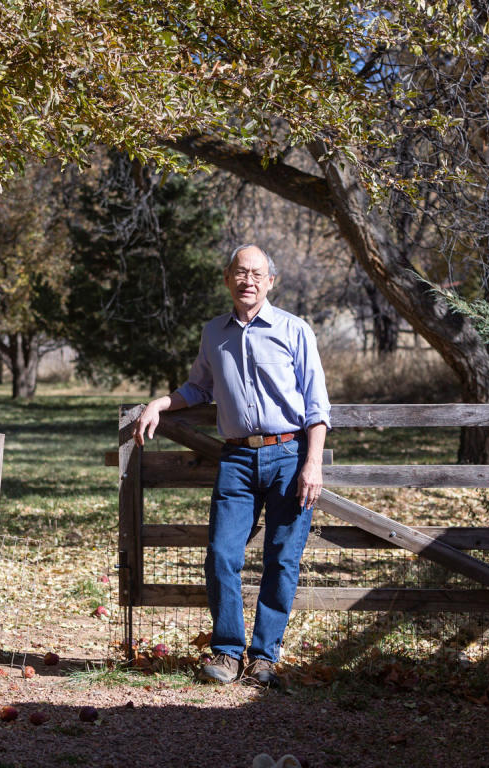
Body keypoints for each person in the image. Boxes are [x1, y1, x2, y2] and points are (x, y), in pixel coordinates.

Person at [133, 244, 330, 687]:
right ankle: (226, 652)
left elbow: (317, 407)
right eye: (241, 273)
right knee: (222, 554)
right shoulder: (213, 333)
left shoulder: (294, 330)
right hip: (237, 457)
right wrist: (161, 403)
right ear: (227, 279)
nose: (249, 281)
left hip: (289, 454)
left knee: (282, 559)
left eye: (258, 274)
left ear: (271, 282)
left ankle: (264, 657)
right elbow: (198, 387)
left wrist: (311, 463)